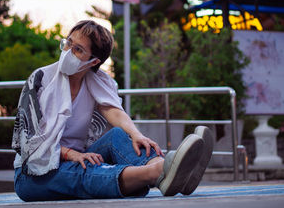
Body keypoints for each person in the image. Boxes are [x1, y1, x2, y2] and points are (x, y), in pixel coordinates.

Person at [12, 20, 213, 201]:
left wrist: (136, 135)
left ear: (94, 61)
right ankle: (162, 171)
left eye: (78, 49)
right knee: (86, 170)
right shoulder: (40, 79)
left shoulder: (98, 82)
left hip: (81, 157)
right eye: (68, 43)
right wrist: (70, 154)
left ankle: (166, 173)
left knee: (118, 135)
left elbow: (113, 110)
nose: (68, 51)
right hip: (33, 173)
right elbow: (28, 140)